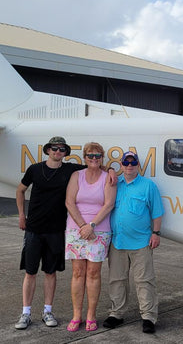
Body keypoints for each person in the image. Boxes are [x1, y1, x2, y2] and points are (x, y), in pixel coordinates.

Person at [15, 136, 115, 330]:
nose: (57, 152)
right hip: (37, 228)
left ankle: (48, 311)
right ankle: (26, 313)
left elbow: (97, 169)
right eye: (54, 148)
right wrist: (21, 215)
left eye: (62, 149)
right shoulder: (35, 169)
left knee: (51, 272)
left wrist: (110, 169)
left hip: (57, 229)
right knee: (31, 272)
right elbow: (21, 191)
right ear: (47, 150)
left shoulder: (70, 169)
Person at [103, 151, 165, 334]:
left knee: (145, 281)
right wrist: (109, 169)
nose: (129, 166)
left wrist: (156, 233)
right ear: (121, 165)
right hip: (118, 241)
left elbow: (157, 212)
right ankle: (117, 313)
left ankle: (148, 317)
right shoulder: (114, 184)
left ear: (138, 165)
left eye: (133, 162)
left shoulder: (148, 186)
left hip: (141, 242)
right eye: (126, 162)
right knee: (116, 280)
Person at [64, 142, 116, 332]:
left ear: (102, 158)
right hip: (76, 229)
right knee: (78, 272)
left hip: (99, 230)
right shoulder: (76, 176)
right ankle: (77, 315)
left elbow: (109, 204)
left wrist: (92, 225)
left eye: (98, 156)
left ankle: (91, 315)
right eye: (90, 156)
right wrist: (83, 226)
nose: (94, 159)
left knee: (93, 273)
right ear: (84, 158)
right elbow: (69, 202)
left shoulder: (107, 178)